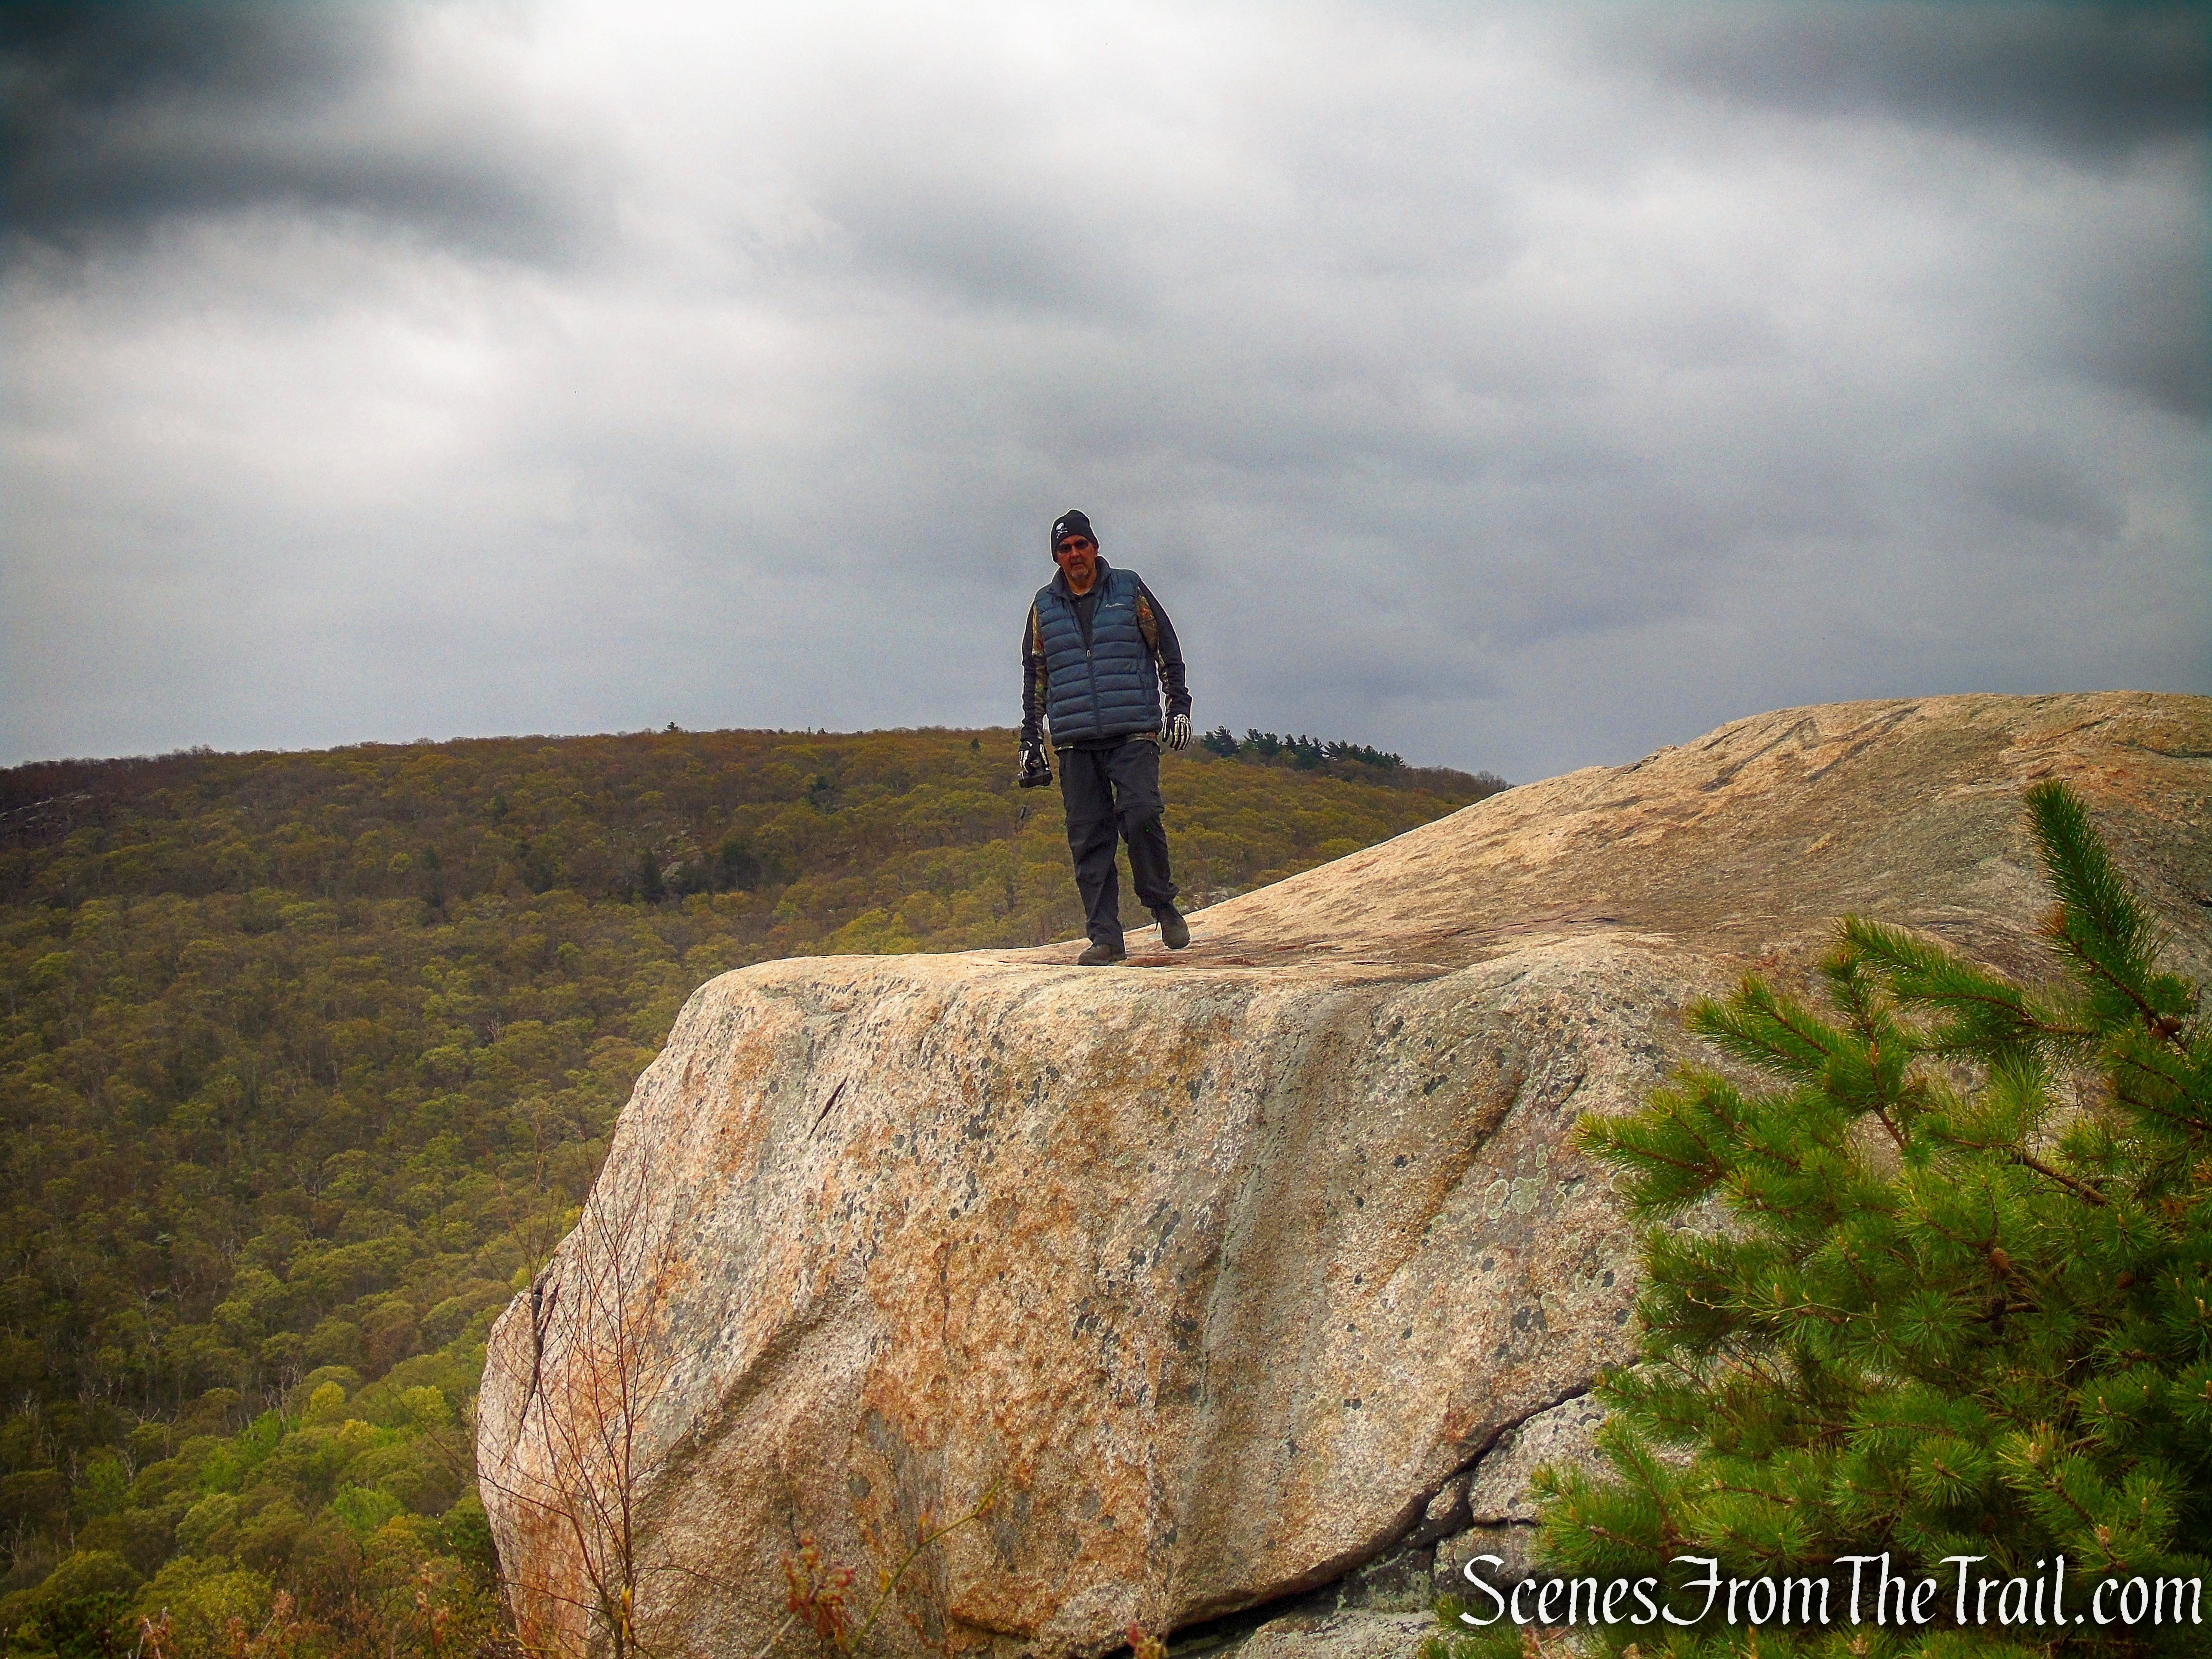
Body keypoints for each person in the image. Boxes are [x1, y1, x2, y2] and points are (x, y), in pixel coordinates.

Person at [1017, 509, 1193, 966]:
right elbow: (1035, 675)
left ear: (1094, 546)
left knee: (1141, 816)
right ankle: (1105, 937)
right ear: (1056, 557)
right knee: (1089, 840)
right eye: (1064, 549)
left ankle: (1161, 904)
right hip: (1075, 739)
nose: (1074, 555)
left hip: (1132, 729)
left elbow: (1167, 649)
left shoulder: (1129, 588)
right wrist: (1031, 738)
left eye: (1080, 545)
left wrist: (1178, 707)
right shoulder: (1044, 606)